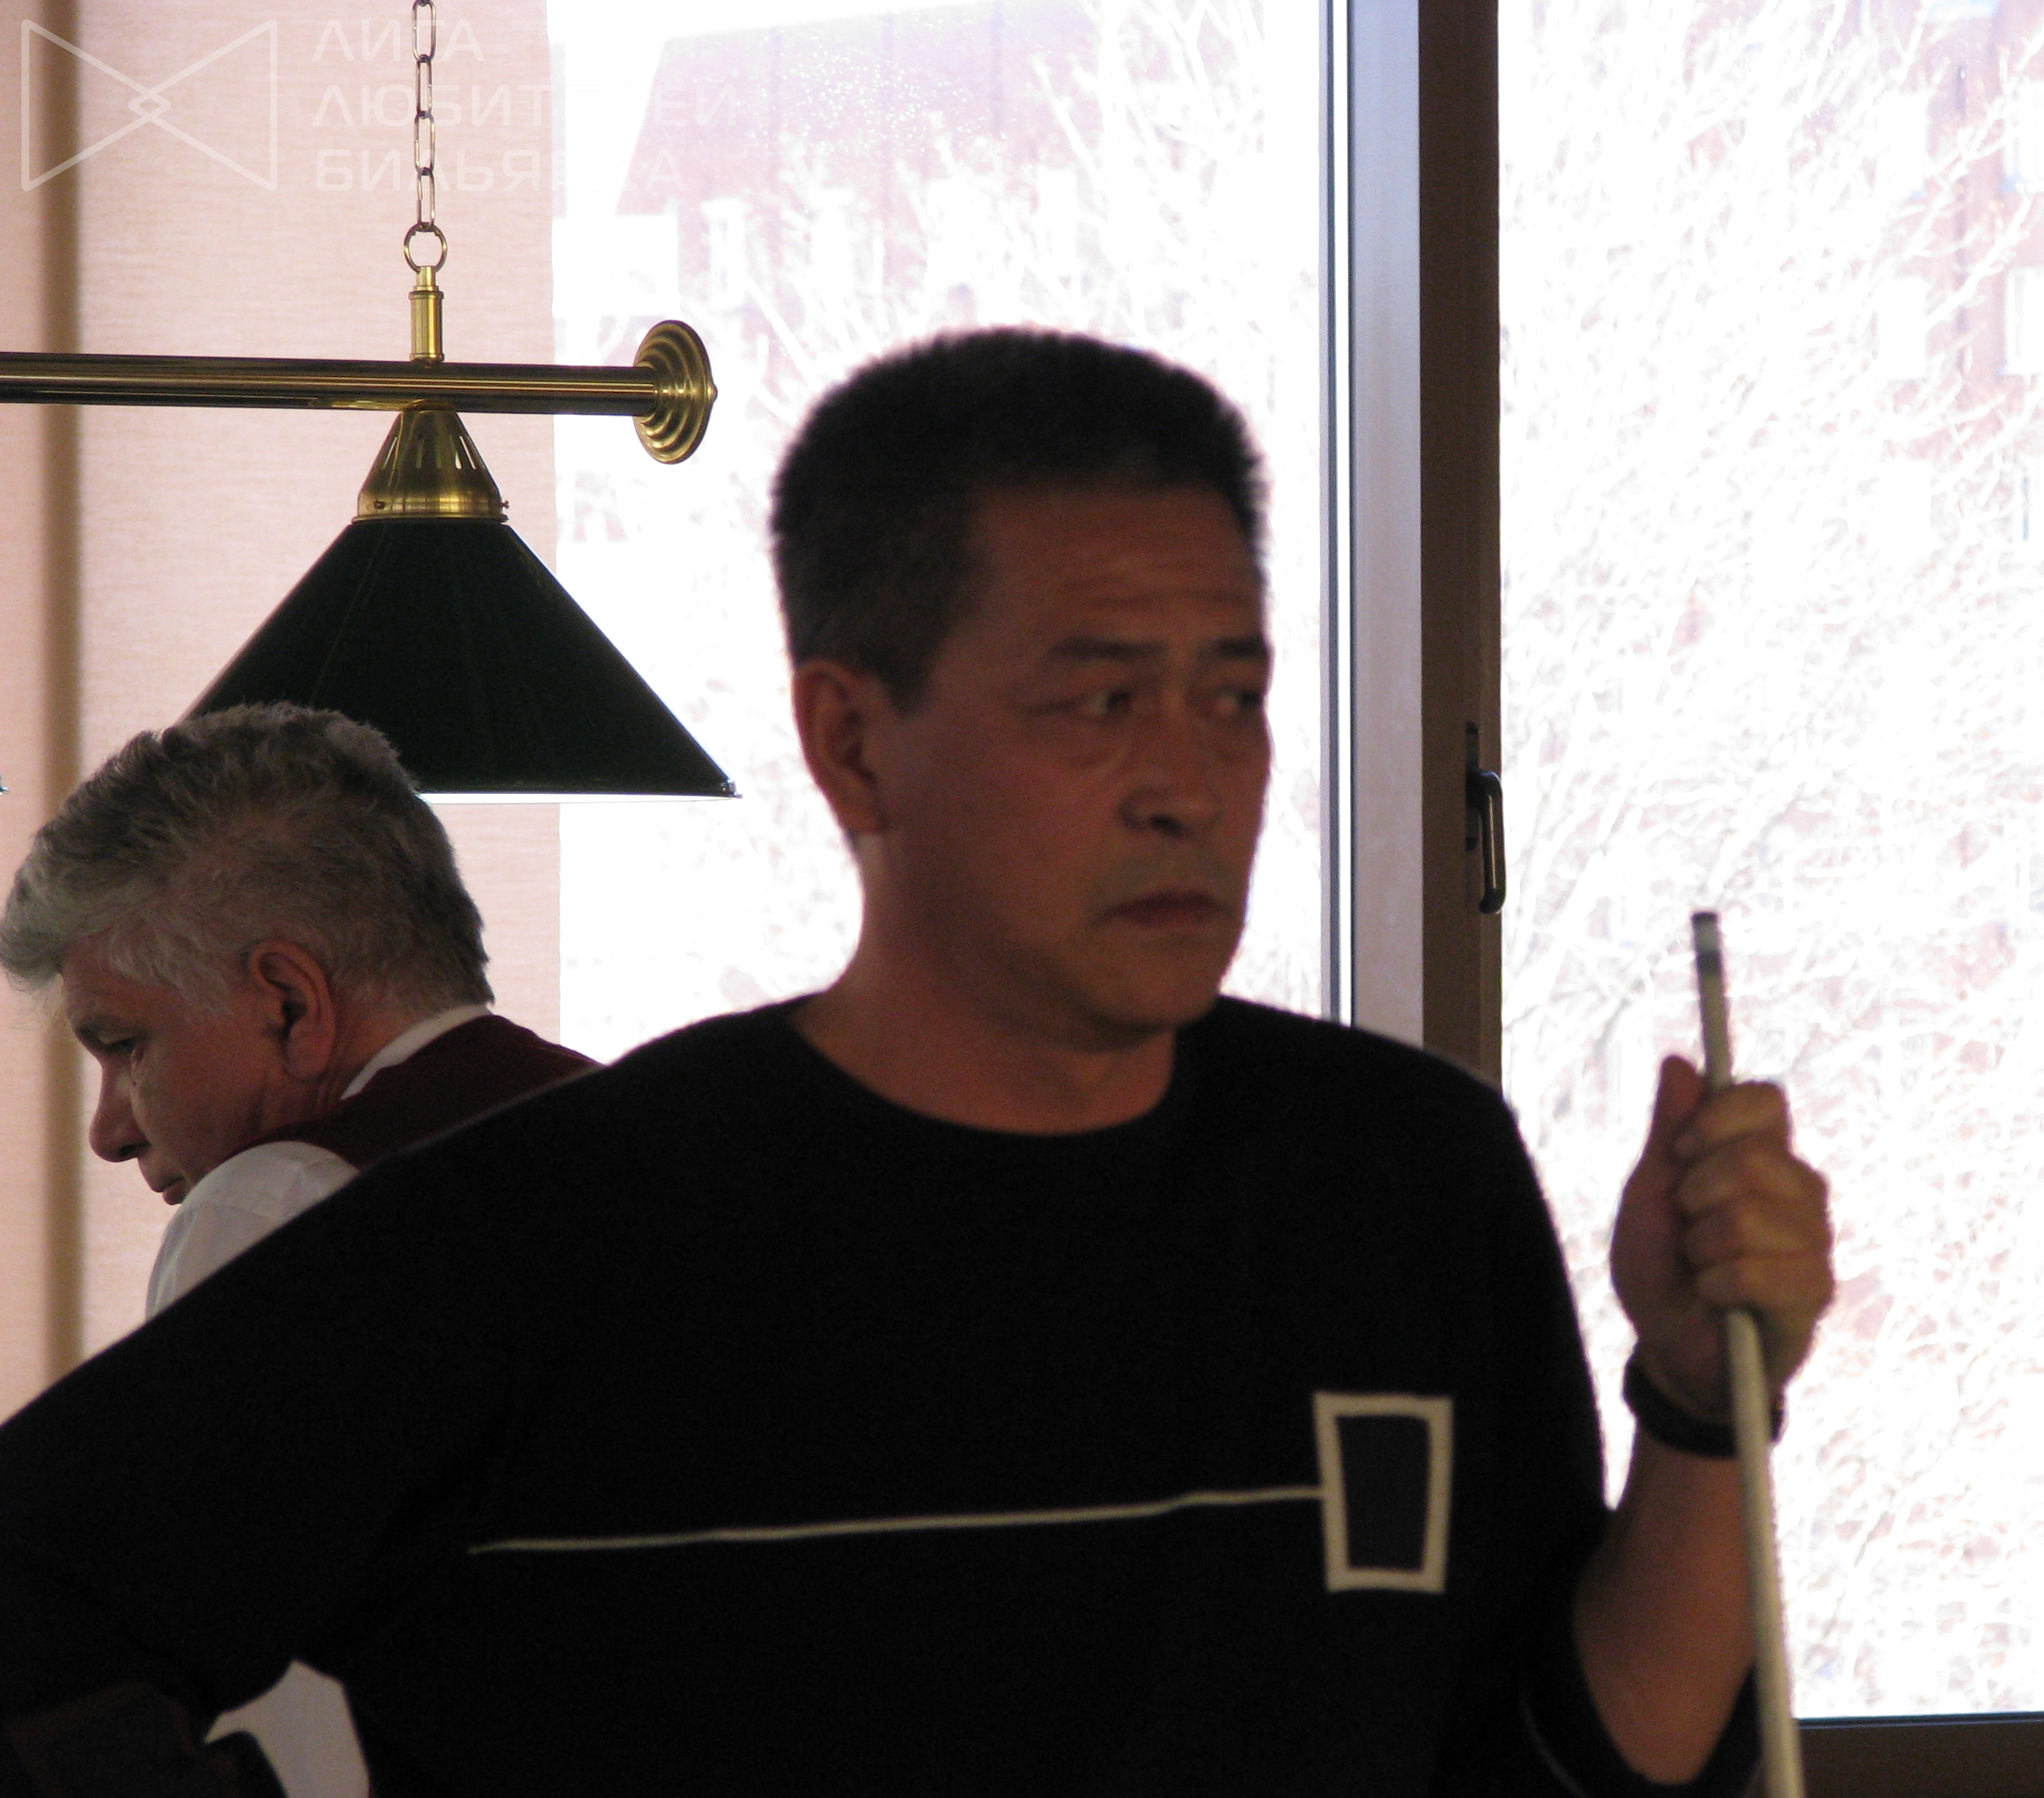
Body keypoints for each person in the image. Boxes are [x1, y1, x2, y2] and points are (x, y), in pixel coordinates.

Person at [0, 331, 1833, 1798]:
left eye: (1233, 695)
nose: (1190, 781)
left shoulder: (1399, 1179)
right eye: (1098, 699)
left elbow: (1569, 1757)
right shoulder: (554, 1241)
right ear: (853, 741)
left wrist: (1698, 1403)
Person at [0, 704, 593, 1798]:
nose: (109, 1130)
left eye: (125, 1045)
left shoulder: (283, 1207)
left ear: (290, 1004)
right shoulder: (627, 1143)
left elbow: (278, 1726)